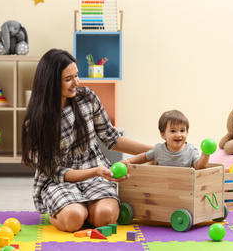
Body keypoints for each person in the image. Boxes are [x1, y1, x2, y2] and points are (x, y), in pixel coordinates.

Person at [21, 49, 152, 232]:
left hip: (95, 171)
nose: (76, 82)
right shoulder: (37, 122)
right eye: (68, 79)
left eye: (76, 75)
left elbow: (111, 138)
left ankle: (86, 209)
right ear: (50, 83)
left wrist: (154, 151)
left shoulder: (87, 98)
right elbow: (57, 172)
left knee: (104, 217)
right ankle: (58, 211)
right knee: (74, 219)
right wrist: (96, 172)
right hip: (59, 180)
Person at [122, 110, 210, 170]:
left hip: (184, 190)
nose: (178, 135)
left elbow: (199, 168)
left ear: (187, 132)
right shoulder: (158, 150)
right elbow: (144, 157)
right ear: (163, 134)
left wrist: (205, 153)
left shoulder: (191, 151)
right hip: (163, 188)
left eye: (182, 130)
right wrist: (129, 161)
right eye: (173, 131)